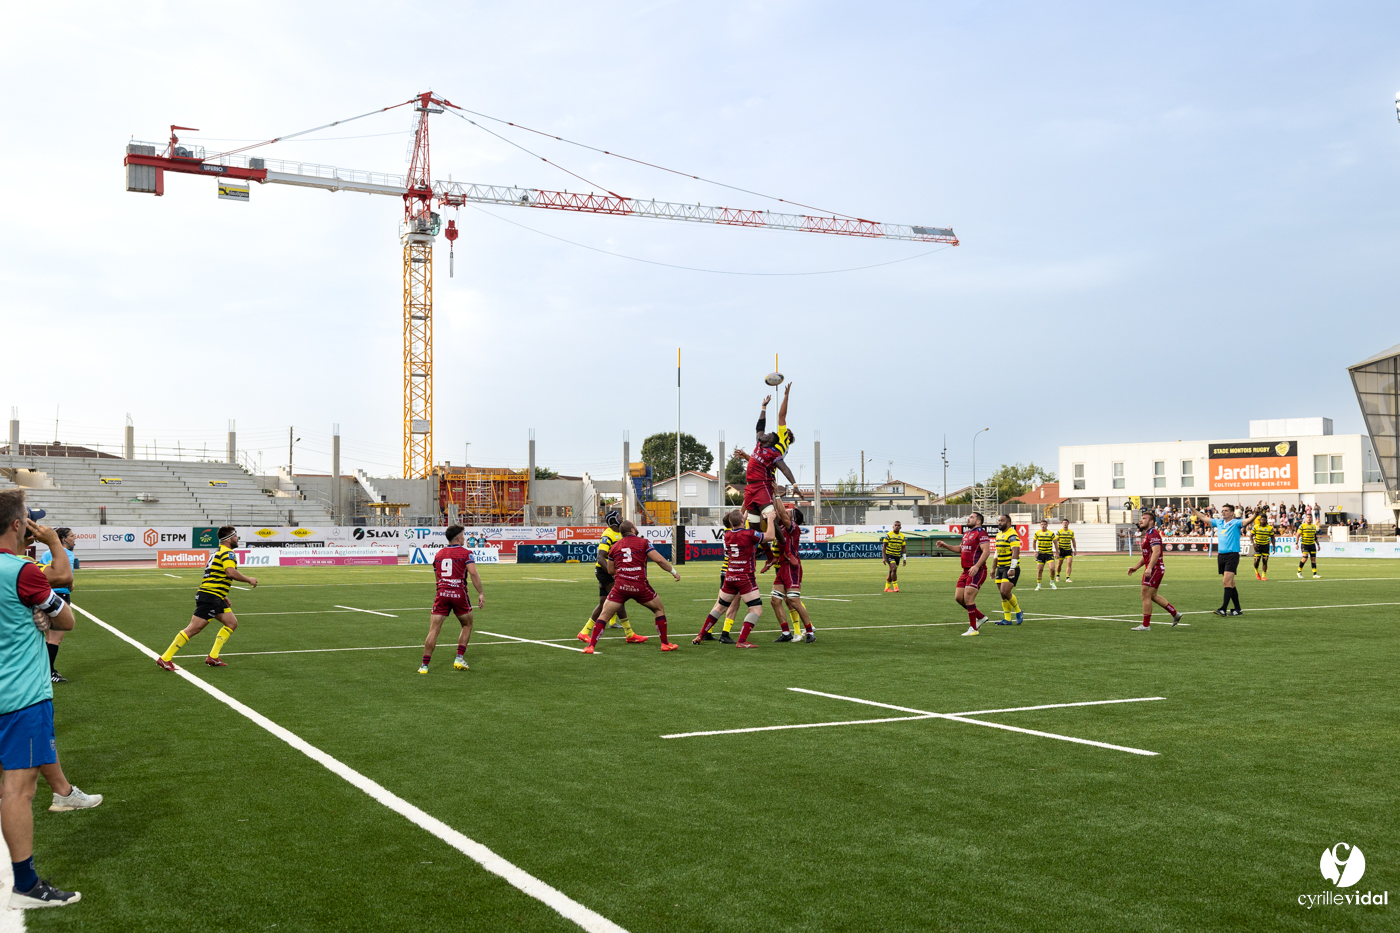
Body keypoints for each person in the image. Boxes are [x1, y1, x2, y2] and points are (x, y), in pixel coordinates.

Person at [0, 491, 81, 907]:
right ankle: (26, 885)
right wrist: (52, 542)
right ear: (18, 525)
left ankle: (66, 791)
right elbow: (66, 617)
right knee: (17, 790)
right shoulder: (22, 571)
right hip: (19, 694)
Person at [156, 526, 258, 670]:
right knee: (194, 628)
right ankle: (165, 658)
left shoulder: (218, 552)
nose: (237, 539)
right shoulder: (228, 553)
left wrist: (223, 596)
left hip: (214, 595)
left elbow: (215, 575)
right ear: (229, 539)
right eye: (236, 536)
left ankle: (213, 657)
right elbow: (230, 572)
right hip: (211, 596)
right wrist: (249, 579)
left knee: (231, 623)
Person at [583, 521, 680, 653]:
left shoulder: (615, 546)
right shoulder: (643, 542)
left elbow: (611, 571)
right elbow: (659, 560)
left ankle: (591, 646)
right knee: (659, 609)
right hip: (640, 586)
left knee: (604, 615)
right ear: (632, 530)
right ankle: (665, 644)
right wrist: (673, 572)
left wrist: (624, 573)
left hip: (620, 587)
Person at [695, 510, 773, 647]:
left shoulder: (727, 534)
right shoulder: (749, 534)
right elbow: (770, 536)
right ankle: (742, 641)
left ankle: (700, 635)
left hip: (730, 575)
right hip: (745, 577)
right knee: (756, 609)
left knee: (720, 607)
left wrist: (742, 516)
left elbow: (738, 522)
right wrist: (771, 518)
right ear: (743, 520)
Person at [418, 525, 484, 674]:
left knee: (434, 629)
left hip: (442, 593)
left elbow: (436, 575)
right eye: (463, 535)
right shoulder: (466, 553)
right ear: (459, 537)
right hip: (459, 594)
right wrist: (480, 593)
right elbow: (473, 573)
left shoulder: (439, 553)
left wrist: (441, 588)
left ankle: (424, 666)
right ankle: (459, 658)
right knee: (467, 625)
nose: (464, 538)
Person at [576, 511, 646, 645]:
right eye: (619, 516)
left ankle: (584, 632)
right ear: (613, 520)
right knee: (618, 600)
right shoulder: (607, 534)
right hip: (605, 571)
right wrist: (613, 573)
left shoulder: (620, 533)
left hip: (609, 571)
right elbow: (600, 557)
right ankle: (629, 633)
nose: (621, 518)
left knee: (604, 603)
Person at [1127, 510, 1183, 631]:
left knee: (1145, 594)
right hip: (1155, 568)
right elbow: (1147, 554)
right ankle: (1175, 614)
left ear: (1151, 521)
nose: (1141, 520)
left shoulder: (1153, 533)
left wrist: (1150, 568)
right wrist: (1136, 567)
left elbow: (1156, 552)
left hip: (1155, 568)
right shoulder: (1148, 534)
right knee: (1152, 595)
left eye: (1144, 518)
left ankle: (1146, 625)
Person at [766, 502, 814, 642]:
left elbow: (781, 514)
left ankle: (810, 632)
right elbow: (774, 515)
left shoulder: (794, 528)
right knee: (775, 601)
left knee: (793, 601)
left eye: (788, 513)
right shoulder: (781, 527)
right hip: (782, 567)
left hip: (792, 567)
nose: (784, 513)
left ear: (792, 519)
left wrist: (776, 495)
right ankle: (786, 633)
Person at [36, 528, 77, 684]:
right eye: (72, 536)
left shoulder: (46, 554)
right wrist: (71, 585)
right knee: (55, 639)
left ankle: (43, 670)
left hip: (46, 595)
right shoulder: (68, 554)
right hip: (61, 595)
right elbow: (68, 578)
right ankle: (50, 672)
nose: (74, 538)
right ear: (63, 540)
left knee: (47, 637)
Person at [1192, 503, 1244, 616]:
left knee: (1226, 582)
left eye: (1226, 510)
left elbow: (1247, 521)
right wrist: (1192, 508)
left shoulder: (1236, 522)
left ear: (1231, 513)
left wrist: (1256, 514)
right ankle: (1237, 609)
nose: (1223, 512)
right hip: (1221, 556)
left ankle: (1223, 609)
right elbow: (1203, 517)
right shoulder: (1219, 522)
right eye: (1223, 510)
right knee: (1231, 583)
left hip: (1232, 555)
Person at [955, 512, 995, 636]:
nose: (968, 518)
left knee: (968, 597)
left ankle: (973, 629)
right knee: (959, 598)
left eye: (971, 517)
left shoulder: (981, 533)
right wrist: (945, 546)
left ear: (978, 521)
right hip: (965, 570)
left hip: (977, 570)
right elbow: (960, 549)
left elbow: (986, 551)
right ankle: (981, 617)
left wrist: (977, 566)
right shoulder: (966, 534)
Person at [992, 515, 1024, 625]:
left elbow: (1016, 552)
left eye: (1002, 521)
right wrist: (993, 568)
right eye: (999, 520)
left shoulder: (1012, 534)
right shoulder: (998, 535)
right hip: (1000, 568)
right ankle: (1007, 619)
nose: (999, 522)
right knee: (1003, 595)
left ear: (1009, 523)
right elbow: (996, 552)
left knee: (1004, 591)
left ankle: (1019, 611)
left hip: (1009, 568)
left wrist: (1012, 568)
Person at [881, 521, 907, 593]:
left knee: (891, 571)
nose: (896, 526)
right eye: (895, 525)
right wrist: (884, 557)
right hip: (890, 554)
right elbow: (884, 547)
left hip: (897, 556)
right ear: (893, 526)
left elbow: (903, 548)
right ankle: (895, 587)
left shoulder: (902, 536)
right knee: (894, 569)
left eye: (898, 525)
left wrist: (904, 559)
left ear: (900, 527)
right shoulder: (888, 535)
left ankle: (887, 588)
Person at [1031, 520, 1057, 591]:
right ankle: (1038, 585)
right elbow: (1034, 541)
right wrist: (1034, 551)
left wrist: (1057, 552)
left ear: (1047, 525)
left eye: (1044, 524)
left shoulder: (1051, 533)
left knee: (1052, 568)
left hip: (1049, 554)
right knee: (1040, 570)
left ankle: (1052, 583)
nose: (1043, 525)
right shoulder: (1037, 533)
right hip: (1040, 554)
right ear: (1040, 525)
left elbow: (1055, 543)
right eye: (1042, 524)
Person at [1250, 511, 1276, 581]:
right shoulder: (1256, 527)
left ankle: (1263, 576)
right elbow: (1251, 535)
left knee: (1265, 561)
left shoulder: (1270, 528)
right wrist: (1253, 544)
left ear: (1266, 520)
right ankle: (1257, 573)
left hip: (1265, 546)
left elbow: (1272, 537)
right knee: (1256, 561)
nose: (1263, 521)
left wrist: (1274, 546)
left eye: (1264, 520)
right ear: (1260, 520)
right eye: (1262, 520)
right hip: (1257, 546)